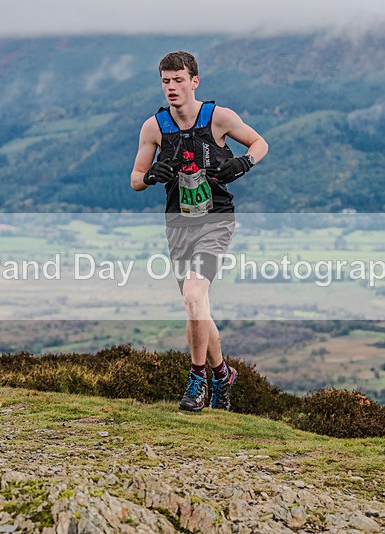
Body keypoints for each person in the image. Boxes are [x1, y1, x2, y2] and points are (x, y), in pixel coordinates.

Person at [130, 51, 268, 412]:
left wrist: (243, 162)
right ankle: (223, 374)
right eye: (165, 81)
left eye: (178, 80)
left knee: (193, 296)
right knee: (198, 305)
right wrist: (150, 177)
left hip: (215, 221)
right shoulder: (154, 128)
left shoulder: (218, 118)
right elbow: (134, 179)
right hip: (178, 226)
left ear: (195, 81)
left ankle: (198, 381)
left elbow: (260, 143)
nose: (171, 87)